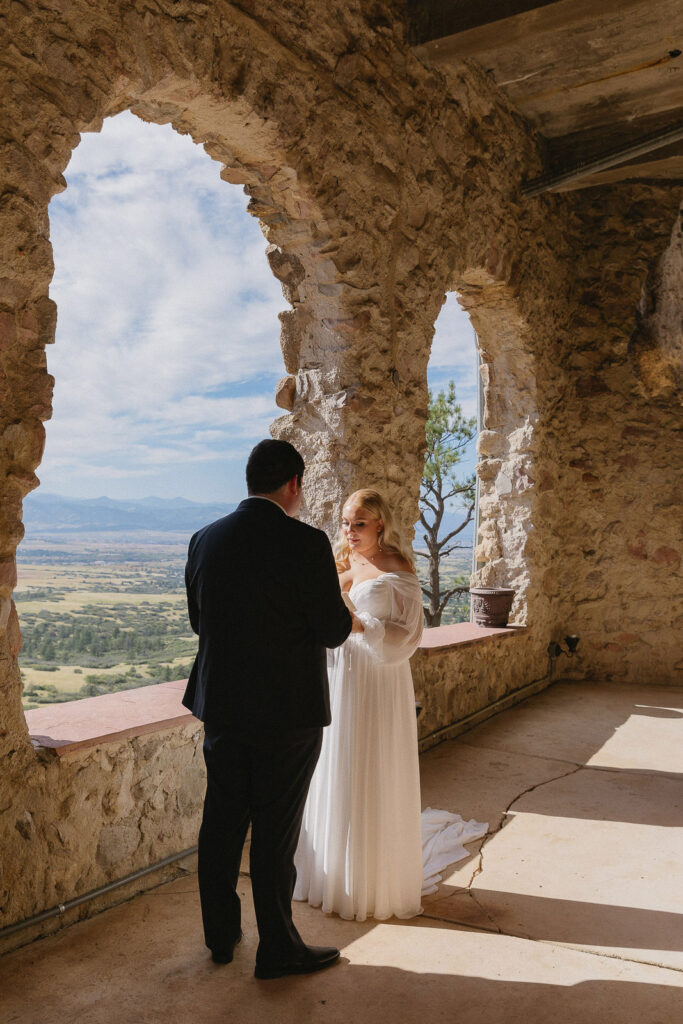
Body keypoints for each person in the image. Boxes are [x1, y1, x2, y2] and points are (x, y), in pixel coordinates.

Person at [183, 439, 355, 979]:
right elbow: (332, 630)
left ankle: (221, 936)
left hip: (225, 708)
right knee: (275, 835)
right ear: (294, 485)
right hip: (288, 712)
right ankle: (277, 948)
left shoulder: (203, 539)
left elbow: (199, 622)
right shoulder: (306, 543)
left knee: (222, 823)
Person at [294, 488, 488, 921]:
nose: (350, 531)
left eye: (359, 523)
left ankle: (369, 881)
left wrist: (359, 623)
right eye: (346, 523)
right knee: (337, 764)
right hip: (340, 673)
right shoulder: (340, 562)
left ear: (380, 524)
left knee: (369, 763)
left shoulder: (397, 567)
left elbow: (409, 634)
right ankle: (332, 874)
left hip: (377, 679)